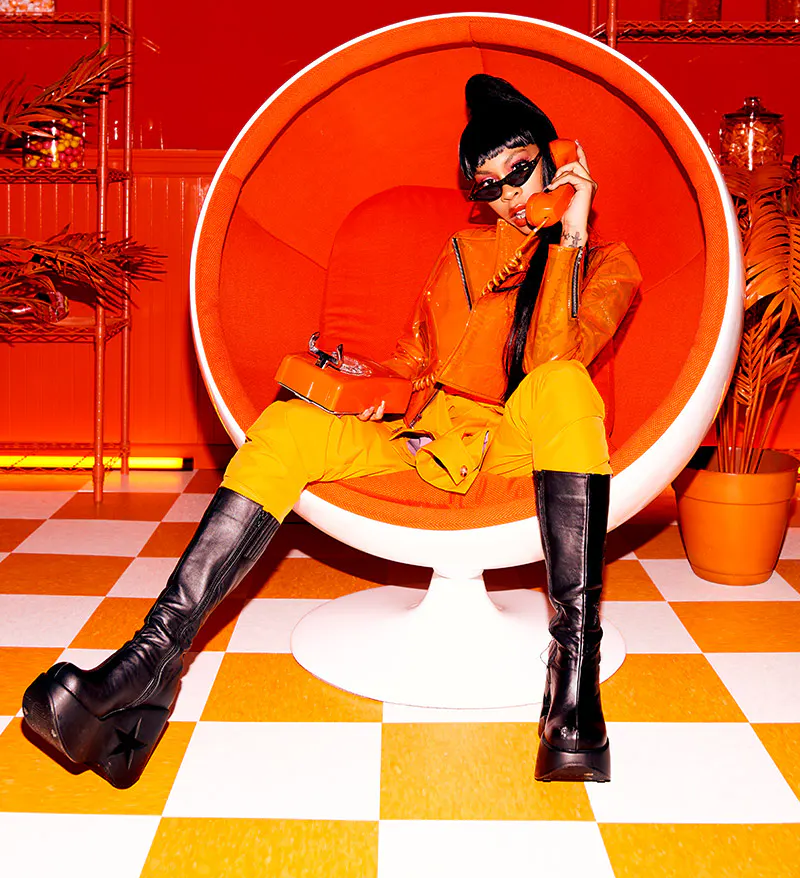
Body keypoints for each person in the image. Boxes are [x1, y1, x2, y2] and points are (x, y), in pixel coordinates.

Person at [23, 74, 641, 788]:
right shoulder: (463, 253)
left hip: (519, 442)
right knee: (287, 425)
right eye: (487, 183)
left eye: (521, 168)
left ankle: (573, 678)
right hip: (425, 438)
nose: (506, 193)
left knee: (564, 385)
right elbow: (417, 361)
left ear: (559, 160)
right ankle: (150, 663)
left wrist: (568, 234)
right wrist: (364, 385)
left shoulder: (608, 265)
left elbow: (553, 358)